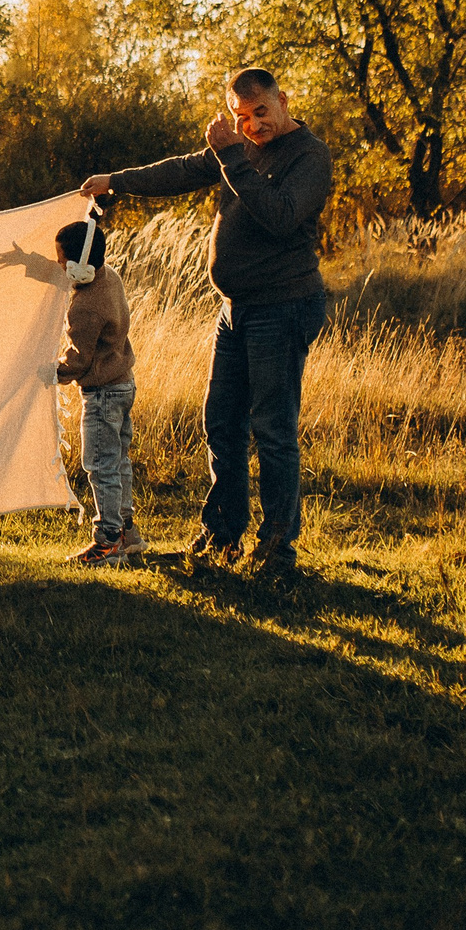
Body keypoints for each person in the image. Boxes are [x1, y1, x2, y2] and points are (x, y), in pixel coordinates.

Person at [81, 68, 331, 576]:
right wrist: (117, 182)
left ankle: (277, 551)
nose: (252, 125)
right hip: (235, 310)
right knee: (221, 424)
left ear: (282, 101)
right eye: (241, 117)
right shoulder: (239, 149)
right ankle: (222, 537)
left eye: (260, 112)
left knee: (273, 431)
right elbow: (179, 172)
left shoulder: (310, 155)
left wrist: (232, 155)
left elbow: (281, 215)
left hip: (282, 307)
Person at [53, 206, 137, 567]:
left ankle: (107, 541)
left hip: (102, 395)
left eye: (62, 261)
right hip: (123, 385)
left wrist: (51, 372)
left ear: (79, 268)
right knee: (118, 462)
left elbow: (79, 360)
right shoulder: (109, 277)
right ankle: (128, 533)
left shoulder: (85, 307)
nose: (59, 266)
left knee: (100, 467)